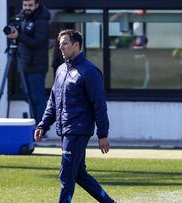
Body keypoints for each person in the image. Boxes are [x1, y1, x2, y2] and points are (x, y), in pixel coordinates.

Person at [35, 29, 116, 203]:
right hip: (65, 130)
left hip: (78, 131)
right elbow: (53, 102)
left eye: (65, 44)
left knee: (66, 174)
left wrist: (103, 134)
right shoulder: (61, 70)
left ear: (76, 45)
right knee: (79, 174)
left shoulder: (89, 71)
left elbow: (99, 105)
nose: (61, 48)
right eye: (60, 44)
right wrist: (43, 124)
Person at [7, 0, 50, 126]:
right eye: (25, 5)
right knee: (28, 98)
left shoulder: (42, 22)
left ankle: (41, 129)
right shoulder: (22, 19)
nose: (27, 8)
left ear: (36, 6)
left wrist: (19, 36)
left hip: (37, 66)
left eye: (30, 5)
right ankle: (34, 126)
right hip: (24, 64)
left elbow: (37, 42)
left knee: (38, 98)